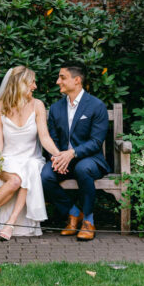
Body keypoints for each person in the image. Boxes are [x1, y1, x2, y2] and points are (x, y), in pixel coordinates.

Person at [0, 66, 60, 240]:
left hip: (31, 158)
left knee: (30, 168)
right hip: (7, 160)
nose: (35, 86)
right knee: (17, 178)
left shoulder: (37, 105)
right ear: (20, 83)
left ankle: (8, 222)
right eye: (32, 82)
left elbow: (45, 138)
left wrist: (59, 156)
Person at [41, 64, 109, 241]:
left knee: (82, 169)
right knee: (45, 175)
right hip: (63, 158)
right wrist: (56, 158)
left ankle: (88, 220)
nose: (58, 81)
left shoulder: (96, 106)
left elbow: (96, 142)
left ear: (77, 80)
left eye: (62, 77)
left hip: (90, 159)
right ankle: (72, 213)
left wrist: (71, 154)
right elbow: (52, 139)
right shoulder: (56, 108)